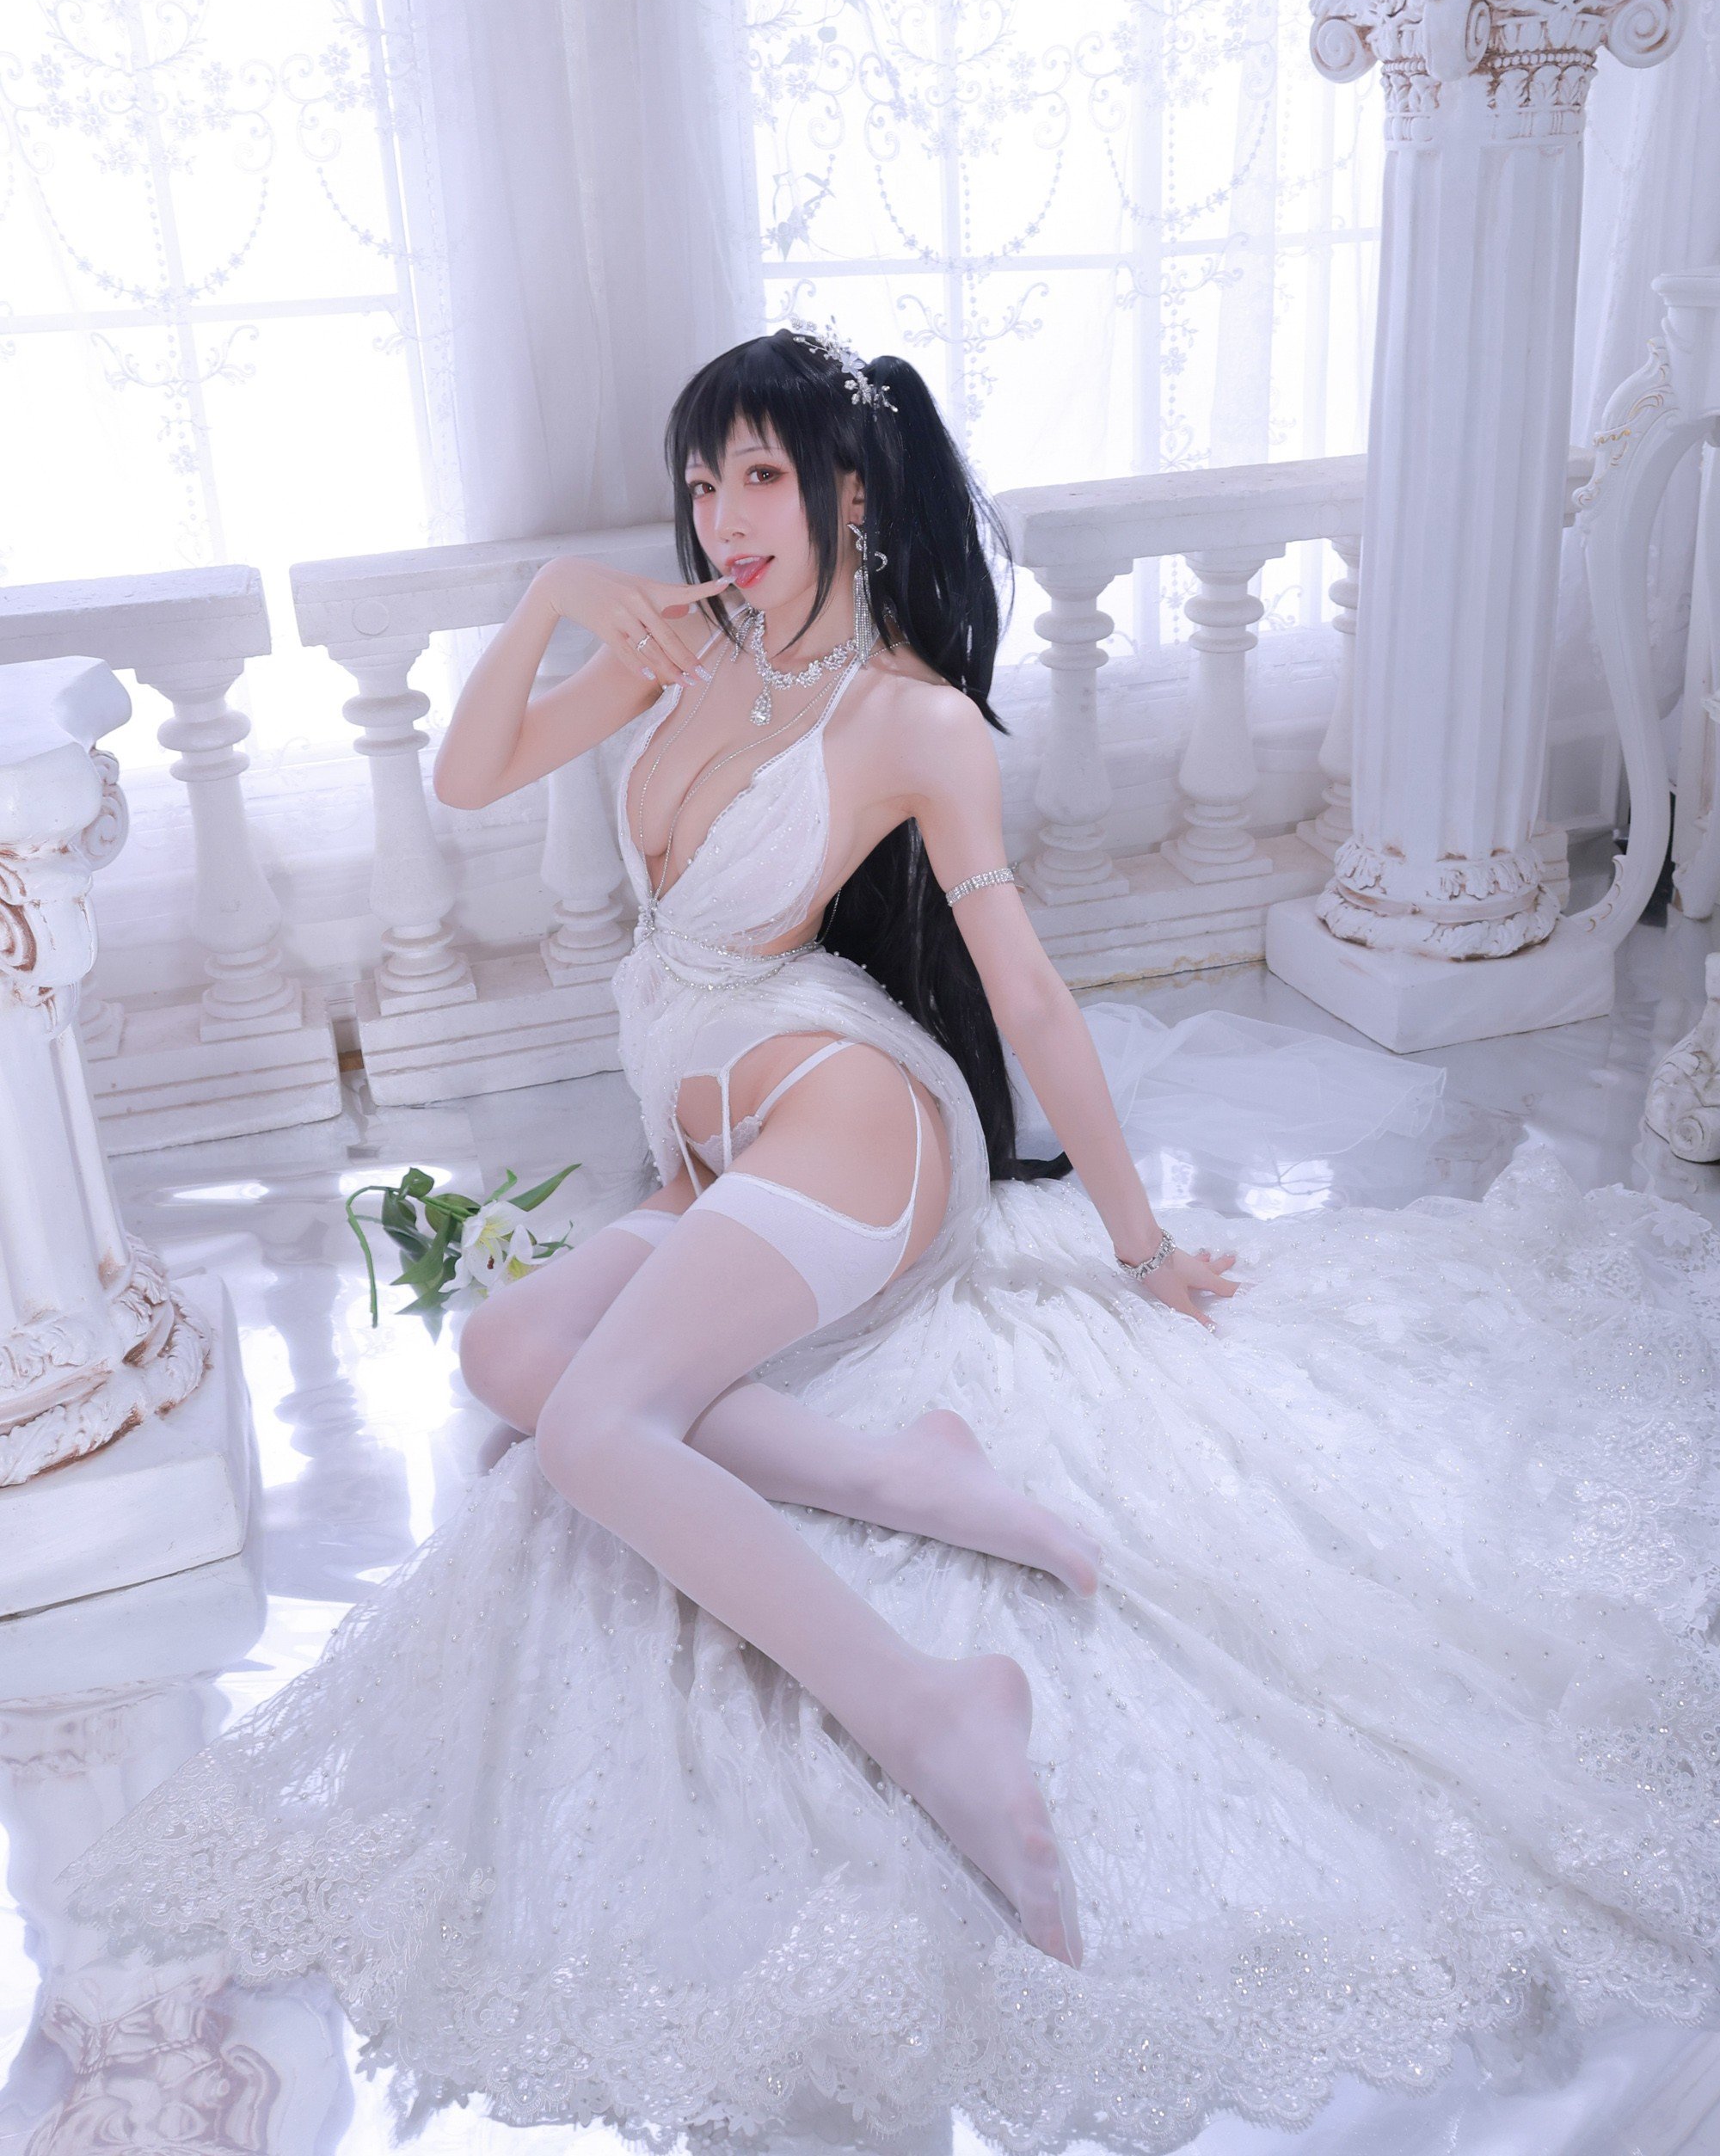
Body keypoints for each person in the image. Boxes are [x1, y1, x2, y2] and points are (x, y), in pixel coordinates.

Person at [69, 328, 1720, 2148]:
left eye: (761, 476)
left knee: (599, 1429)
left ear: (849, 492)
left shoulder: (913, 719)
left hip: (855, 1123)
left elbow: (1028, 991)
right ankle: (901, 1474)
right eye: (702, 480)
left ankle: (936, 1711)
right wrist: (552, 600)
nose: (724, 515)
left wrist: (1142, 1245)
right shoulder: (690, 649)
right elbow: (470, 775)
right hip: (715, 1147)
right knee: (507, 1354)